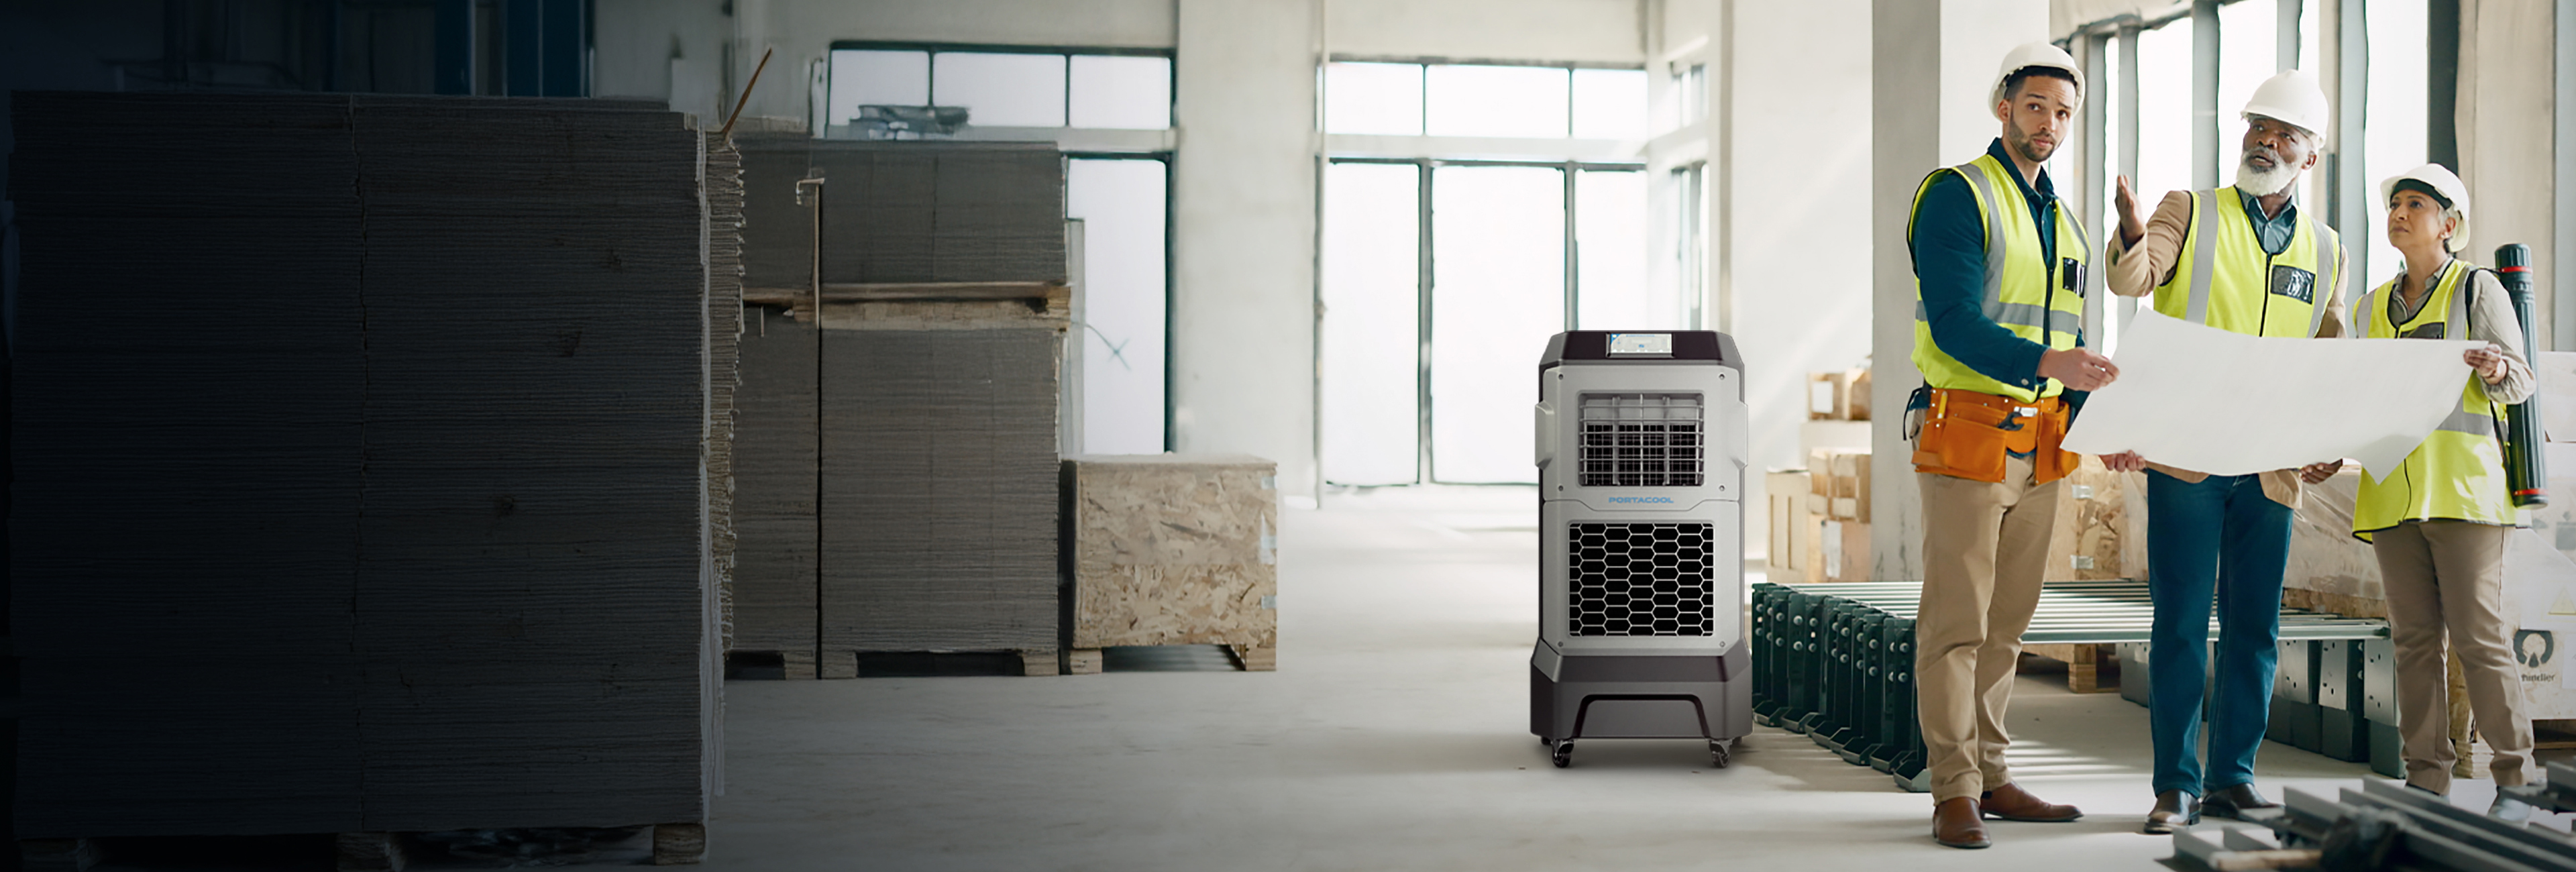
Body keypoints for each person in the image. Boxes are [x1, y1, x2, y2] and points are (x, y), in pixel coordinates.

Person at [2102, 69, 2348, 834]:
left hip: (2270, 466)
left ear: (2310, 157)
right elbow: (2134, 278)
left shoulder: (2327, 246)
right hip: (2189, 457)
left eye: (2285, 135)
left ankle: (2231, 777)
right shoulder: (2192, 209)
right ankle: (2175, 784)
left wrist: (2328, 435)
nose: (2265, 142)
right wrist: (2133, 232)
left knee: (2255, 628)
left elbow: (2328, 351)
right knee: (2179, 622)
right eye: (2257, 128)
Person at [1905, 42, 2113, 850]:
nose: (2050, 125)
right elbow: (1956, 320)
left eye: (2063, 113)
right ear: (2003, 107)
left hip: (2046, 443)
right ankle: (1952, 789)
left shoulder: (2064, 220)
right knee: (1955, 626)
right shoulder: (1958, 195)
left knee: (2007, 628)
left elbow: (2072, 337)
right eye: (2035, 107)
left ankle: (1992, 775)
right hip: (1967, 433)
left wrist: (2101, 423)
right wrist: (2046, 365)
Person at [2309, 164, 2538, 821]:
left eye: (2416, 204)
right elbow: (2364, 401)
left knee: (2479, 637)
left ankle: (2516, 780)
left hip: (2465, 495)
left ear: (2450, 225)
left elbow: (2519, 382)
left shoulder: (2477, 289)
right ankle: (2426, 779)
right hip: (2391, 498)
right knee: (2413, 642)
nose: (2400, 213)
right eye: (2395, 204)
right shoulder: (2368, 308)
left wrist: (2496, 366)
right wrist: (2333, 448)